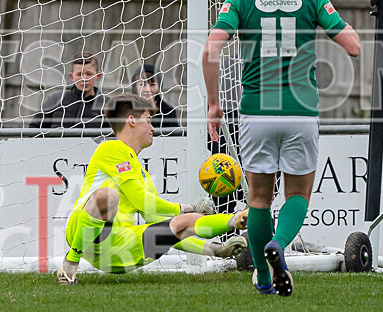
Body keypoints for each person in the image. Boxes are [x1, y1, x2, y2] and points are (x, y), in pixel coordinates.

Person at [203, 0, 361, 296]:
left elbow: (211, 48)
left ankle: (261, 272)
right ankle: (279, 244)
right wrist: (340, 26)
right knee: (298, 195)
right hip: (300, 110)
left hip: (256, 110)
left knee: (258, 199)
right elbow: (353, 47)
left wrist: (213, 104)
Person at [56, 94, 248, 284]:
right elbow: (141, 201)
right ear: (131, 120)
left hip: (118, 255)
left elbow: (170, 229)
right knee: (108, 196)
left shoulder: (142, 176)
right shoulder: (110, 149)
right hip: (85, 236)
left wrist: (215, 249)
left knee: (183, 222)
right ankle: (71, 262)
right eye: (148, 121)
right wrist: (187, 207)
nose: (152, 127)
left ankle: (236, 220)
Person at [30, 51, 106, 129]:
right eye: (79, 74)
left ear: (98, 76)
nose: (84, 78)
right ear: (71, 77)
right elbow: (34, 129)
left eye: (89, 74)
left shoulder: (107, 105)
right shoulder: (55, 99)